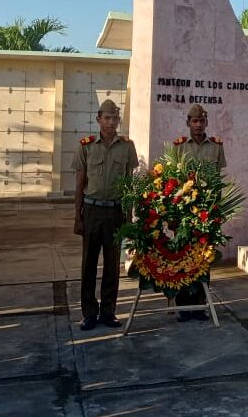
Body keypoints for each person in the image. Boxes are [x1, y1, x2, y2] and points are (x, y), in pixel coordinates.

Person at [72, 99, 139, 331]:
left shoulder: (127, 146)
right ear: (98, 119)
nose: (111, 122)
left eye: (115, 118)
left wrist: (129, 216)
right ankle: (89, 313)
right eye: (107, 118)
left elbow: (129, 182)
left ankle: (108, 312)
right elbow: (80, 182)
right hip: (91, 210)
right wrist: (77, 217)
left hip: (116, 211)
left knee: (112, 265)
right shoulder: (86, 146)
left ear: (118, 120)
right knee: (89, 264)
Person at [172, 104, 226, 321]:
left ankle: (200, 305)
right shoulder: (178, 147)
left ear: (206, 122)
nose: (198, 125)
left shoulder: (216, 147)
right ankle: (183, 306)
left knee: (203, 260)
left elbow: (218, 182)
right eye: (194, 121)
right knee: (183, 259)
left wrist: (218, 212)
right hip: (185, 214)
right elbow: (173, 182)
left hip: (206, 212)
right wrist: (174, 217)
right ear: (188, 123)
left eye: (202, 121)